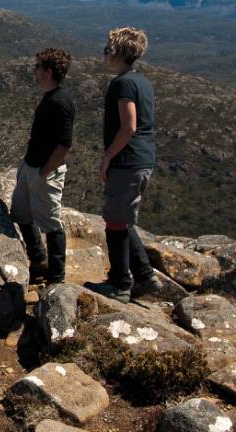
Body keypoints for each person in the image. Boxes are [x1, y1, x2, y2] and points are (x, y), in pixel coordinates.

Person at [86, 27, 164, 303]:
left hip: (127, 160)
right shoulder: (142, 81)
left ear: (117, 54)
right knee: (122, 218)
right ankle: (144, 275)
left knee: (115, 222)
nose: (104, 54)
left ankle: (120, 285)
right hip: (142, 159)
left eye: (107, 50)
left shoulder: (123, 85)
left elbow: (128, 126)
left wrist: (108, 156)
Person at [10, 48, 74, 285]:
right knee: (21, 214)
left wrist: (44, 173)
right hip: (31, 167)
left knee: (52, 224)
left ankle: (56, 279)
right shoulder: (51, 97)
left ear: (48, 72)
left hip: (44, 172)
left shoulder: (60, 101)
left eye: (37, 67)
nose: (34, 71)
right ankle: (38, 259)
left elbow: (65, 144)